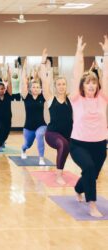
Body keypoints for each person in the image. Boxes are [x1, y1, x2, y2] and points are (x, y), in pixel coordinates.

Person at [69, 36, 108, 217]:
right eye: (88, 82)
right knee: (90, 169)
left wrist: (106, 54)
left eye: (94, 82)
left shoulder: (102, 98)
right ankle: (92, 204)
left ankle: (78, 188)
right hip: (79, 144)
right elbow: (76, 74)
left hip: (100, 145)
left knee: (92, 174)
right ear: (82, 87)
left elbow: (106, 76)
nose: (91, 85)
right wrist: (79, 53)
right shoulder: (77, 100)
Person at [40, 49, 73, 185]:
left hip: (68, 134)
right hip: (52, 133)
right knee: (63, 144)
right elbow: (44, 82)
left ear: (66, 86)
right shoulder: (50, 99)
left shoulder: (71, 99)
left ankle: (59, 170)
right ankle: (58, 176)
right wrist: (43, 63)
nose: (61, 86)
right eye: (59, 84)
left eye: (63, 84)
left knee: (65, 148)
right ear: (55, 86)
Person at [20, 58, 47, 165]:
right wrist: (25, 68)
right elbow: (23, 81)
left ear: (40, 88)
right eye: (34, 87)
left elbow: (45, 82)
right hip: (28, 126)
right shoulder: (26, 96)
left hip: (41, 125)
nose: (36, 88)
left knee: (40, 135)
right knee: (28, 144)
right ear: (30, 89)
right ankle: (23, 150)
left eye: (37, 87)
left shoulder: (42, 97)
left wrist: (43, 68)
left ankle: (41, 158)